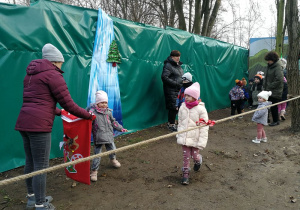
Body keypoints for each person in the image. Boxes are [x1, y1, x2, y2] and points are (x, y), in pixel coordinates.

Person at [15, 43, 95, 210]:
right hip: (39, 126)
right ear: (55, 61)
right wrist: (89, 116)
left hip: (24, 122)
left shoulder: (31, 75)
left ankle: (33, 197)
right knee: (41, 166)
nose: (62, 66)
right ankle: (40, 204)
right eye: (61, 63)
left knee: (30, 161)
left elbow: (38, 102)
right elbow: (70, 104)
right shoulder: (53, 75)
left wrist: (59, 113)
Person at [87, 90, 128, 182]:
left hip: (109, 135)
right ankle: (94, 171)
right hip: (99, 137)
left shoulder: (108, 112)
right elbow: (87, 123)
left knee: (112, 149)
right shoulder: (92, 113)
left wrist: (120, 128)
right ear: (97, 103)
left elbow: (113, 122)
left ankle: (113, 160)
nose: (104, 104)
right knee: (97, 155)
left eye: (105, 102)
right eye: (102, 102)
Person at [176, 82, 209, 185]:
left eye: (189, 95)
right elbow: (180, 122)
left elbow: (204, 127)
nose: (186, 97)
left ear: (195, 97)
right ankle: (185, 175)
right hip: (185, 138)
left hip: (195, 138)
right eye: (185, 95)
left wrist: (201, 141)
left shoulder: (201, 109)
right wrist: (179, 134)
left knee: (194, 156)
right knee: (185, 156)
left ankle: (198, 160)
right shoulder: (182, 107)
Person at [161, 50, 184, 132]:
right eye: (176, 56)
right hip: (171, 90)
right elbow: (164, 77)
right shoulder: (168, 65)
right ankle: (171, 124)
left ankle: (173, 122)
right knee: (173, 107)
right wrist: (176, 84)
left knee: (178, 107)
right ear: (172, 57)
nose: (178, 58)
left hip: (178, 90)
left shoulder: (178, 66)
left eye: (179, 56)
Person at [264, 51, 284, 126]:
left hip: (275, 90)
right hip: (268, 90)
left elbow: (279, 79)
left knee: (273, 106)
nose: (268, 62)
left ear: (273, 59)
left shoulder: (278, 67)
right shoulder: (269, 66)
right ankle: (267, 119)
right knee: (267, 105)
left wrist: (269, 86)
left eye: (269, 60)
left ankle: (276, 121)